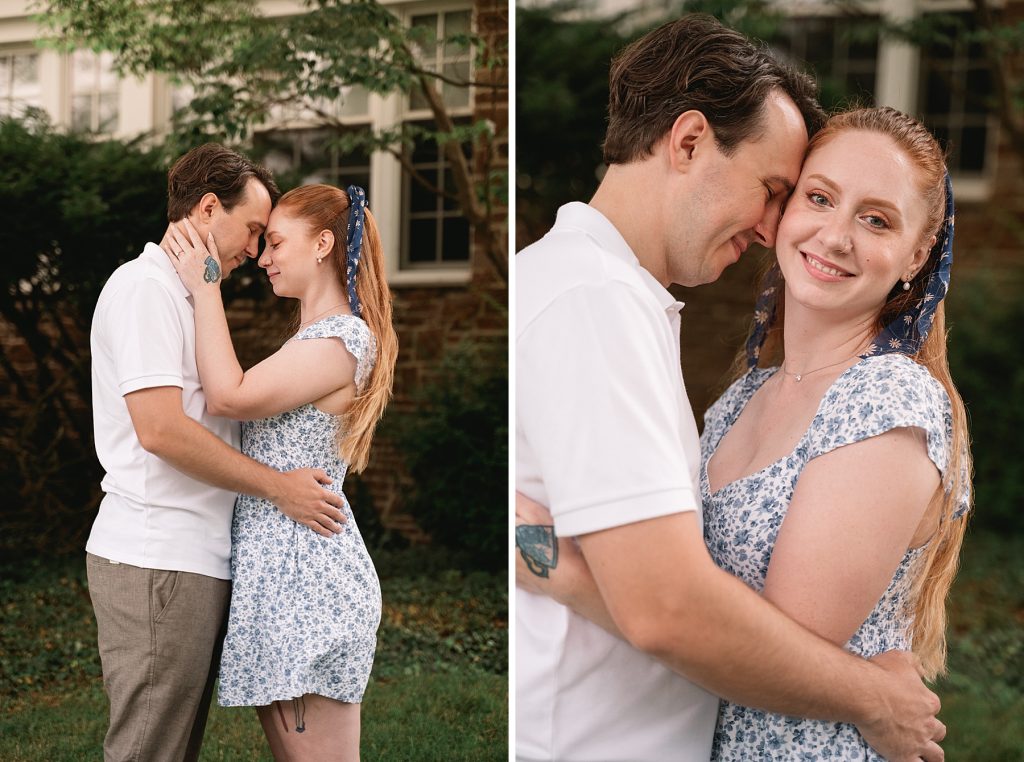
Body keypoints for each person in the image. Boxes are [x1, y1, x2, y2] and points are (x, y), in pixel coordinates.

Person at [515, 15, 947, 762]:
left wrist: (564, 570)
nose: (793, 226)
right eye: (796, 193)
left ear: (916, 255)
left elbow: (752, 629)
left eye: (875, 218)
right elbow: (672, 608)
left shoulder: (885, 402)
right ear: (687, 142)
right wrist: (876, 696)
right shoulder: (619, 317)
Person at [87, 143, 350, 762]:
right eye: (255, 231)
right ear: (209, 209)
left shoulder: (183, 293)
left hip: (189, 558)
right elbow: (161, 430)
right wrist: (278, 486)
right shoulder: (145, 290)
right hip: (158, 557)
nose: (256, 252)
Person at [164, 182, 397, 761]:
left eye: (274, 243)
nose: (263, 258)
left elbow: (227, 395)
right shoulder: (311, 338)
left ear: (322, 244)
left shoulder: (341, 339)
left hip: (307, 579)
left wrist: (205, 283)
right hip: (278, 572)